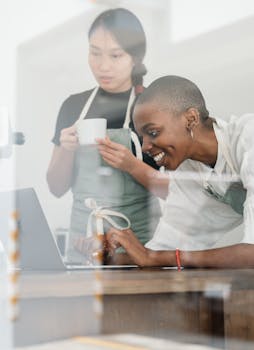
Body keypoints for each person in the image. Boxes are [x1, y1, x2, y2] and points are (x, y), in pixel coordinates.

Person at [47, 8, 168, 263]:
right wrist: (67, 150)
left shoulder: (155, 107)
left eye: (115, 55)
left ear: (135, 57)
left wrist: (131, 165)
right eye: (94, 53)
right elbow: (56, 187)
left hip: (138, 251)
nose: (103, 66)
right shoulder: (73, 107)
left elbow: (175, 192)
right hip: (82, 249)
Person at [104, 75, 254, 268]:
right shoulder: (190, 171)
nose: (144, 147)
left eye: (153, 133)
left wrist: (154, 258)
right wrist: (111, 257)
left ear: (190, 119)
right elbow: (166, 247)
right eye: (142, 137)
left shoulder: (248, 138)